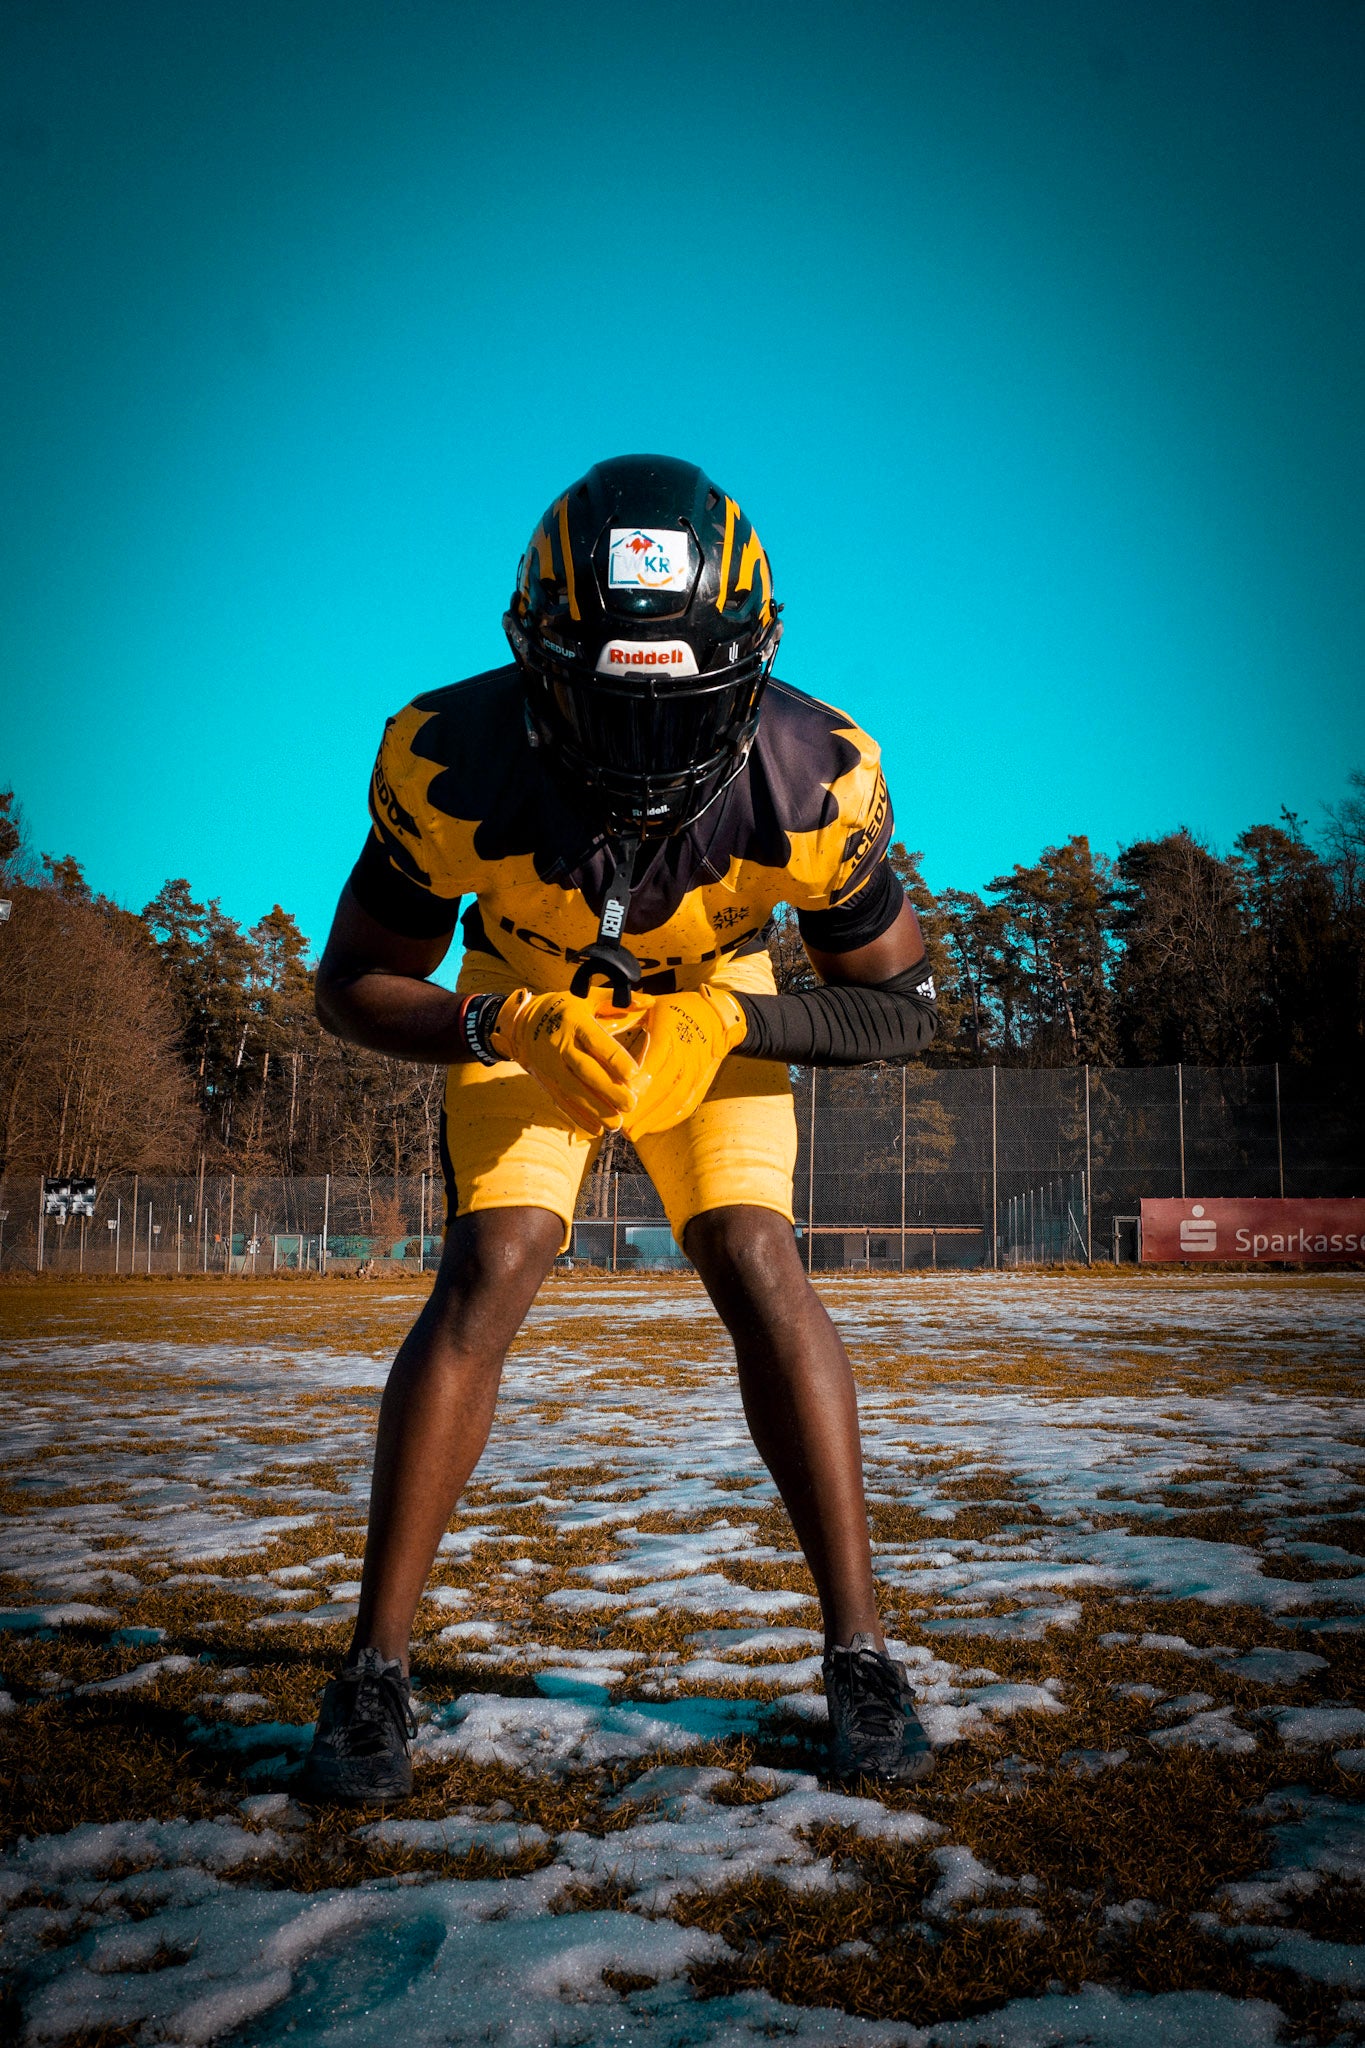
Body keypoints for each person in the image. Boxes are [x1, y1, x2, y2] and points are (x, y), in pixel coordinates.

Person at [303, 455, 940, 1806]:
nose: (647, 753)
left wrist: (731, 1021)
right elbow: (350, 982)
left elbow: (904, 1007)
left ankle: (861, 1651)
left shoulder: (816, 776)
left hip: (713, 1014)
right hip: (530, 1002)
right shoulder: (447, 757)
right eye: (610, 705)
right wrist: (503, 1023)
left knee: (756, 1256)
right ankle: (372, 1668)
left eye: (682, 710)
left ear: (750, 670)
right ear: (534, 659)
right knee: (493, 1261)